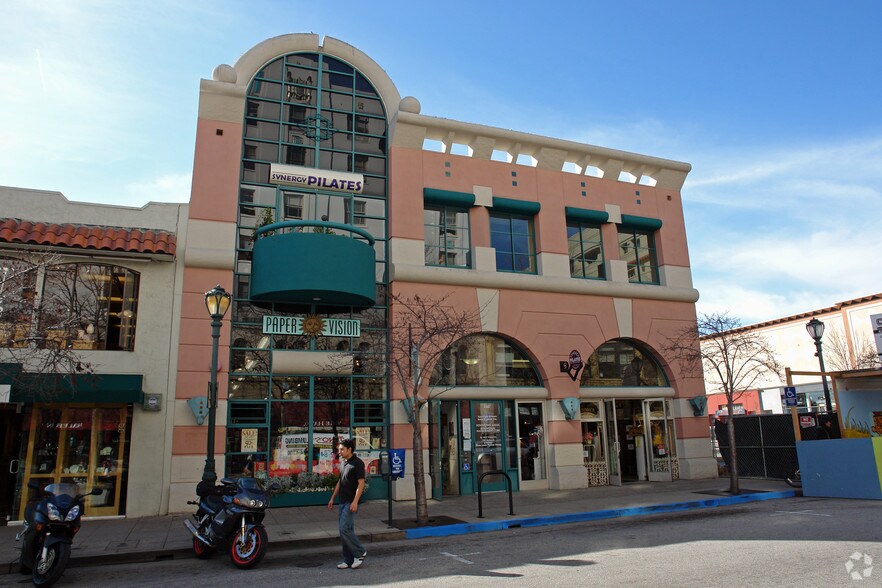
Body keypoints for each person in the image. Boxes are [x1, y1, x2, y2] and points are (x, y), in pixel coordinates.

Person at [327, 439, 367, 569]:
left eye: (341, 449)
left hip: (351, 502)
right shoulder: (344, 463)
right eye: (339, 449)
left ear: (349, 449)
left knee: (344, 529)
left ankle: (360, 552)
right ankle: (348, 560)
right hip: (342, 501)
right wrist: (333, 498)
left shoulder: (358, 463)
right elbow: (340, 482)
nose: (339, 452)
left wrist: (355, 502)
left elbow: (361, 484)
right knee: (344, 530)